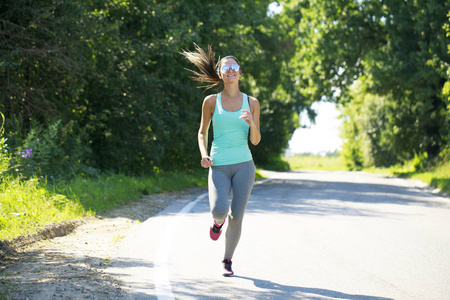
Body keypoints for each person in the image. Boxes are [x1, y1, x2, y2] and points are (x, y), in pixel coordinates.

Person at [182, 44, 261, 277]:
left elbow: (256, 141)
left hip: (244, 165)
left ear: (240, 73)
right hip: (219, 165)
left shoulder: (252, 102)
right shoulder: (211, 101)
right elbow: (201, 132)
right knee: (219, 210)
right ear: (220, 73)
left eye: (234, 67)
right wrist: (203, 154)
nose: (230, 70)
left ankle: (227, 260)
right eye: (225, 67)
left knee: (237, 216)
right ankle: (217, 223)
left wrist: (251, 124)